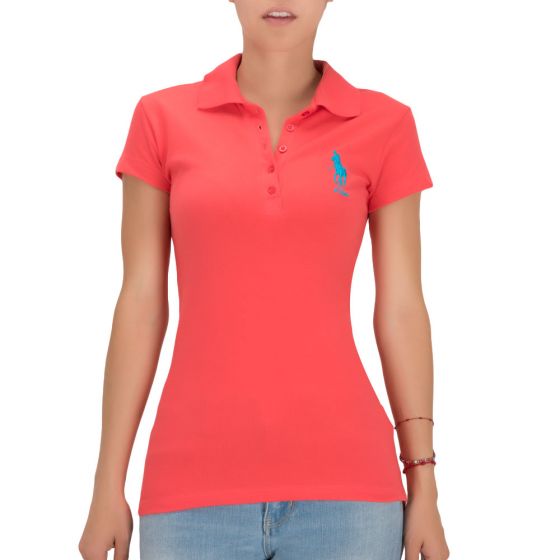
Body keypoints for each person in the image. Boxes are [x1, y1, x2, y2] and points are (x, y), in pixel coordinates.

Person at [78, 1, 450, 559]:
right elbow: (141, 304)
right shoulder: (161, 118)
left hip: (350, 496)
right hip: (190, 491)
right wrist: (107, 483)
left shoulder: (385, 124)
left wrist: (424, 484)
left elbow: (400, 309)